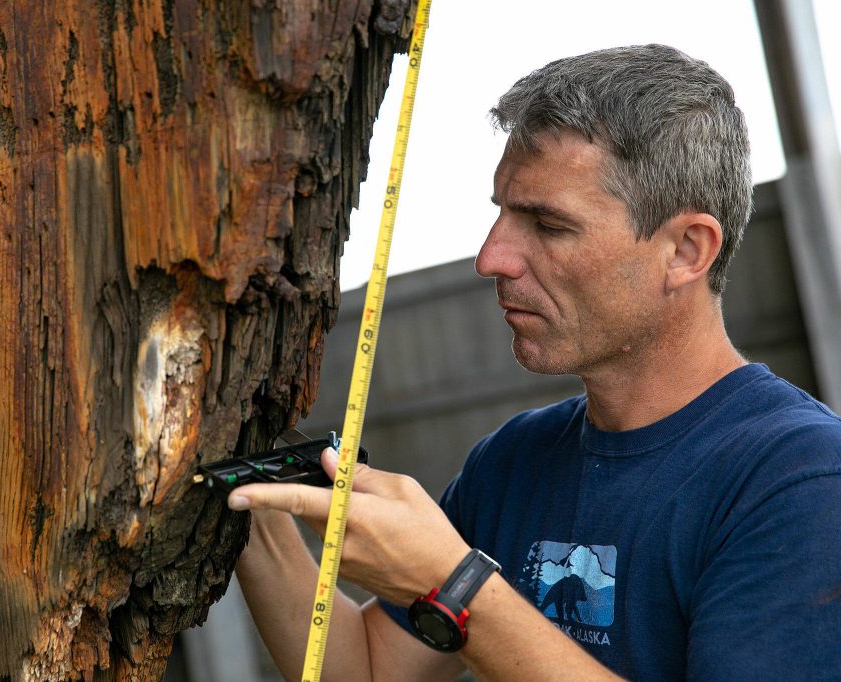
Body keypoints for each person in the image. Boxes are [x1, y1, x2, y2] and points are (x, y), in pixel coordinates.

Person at [230, 44, 841, 681]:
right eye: (502, 213)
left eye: (548, 225)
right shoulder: (516, 460)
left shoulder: (803, 482)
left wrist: (453, 582)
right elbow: (367, 673)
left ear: (687, 249)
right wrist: (251, 506)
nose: (492, 257)